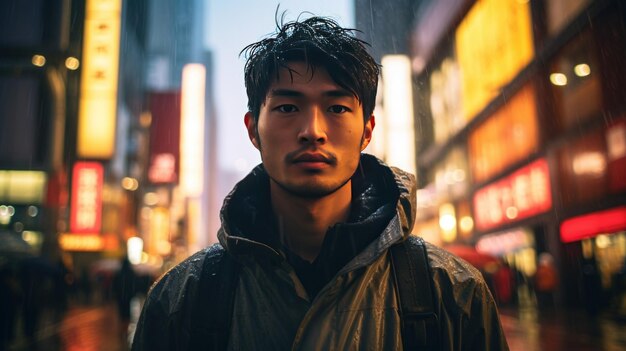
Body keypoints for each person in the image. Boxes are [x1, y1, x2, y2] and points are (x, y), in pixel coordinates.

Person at [132, 15, 509, 350]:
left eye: (337, 108)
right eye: (287, 108)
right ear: (253, 129)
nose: (312, 131)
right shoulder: (182, 299)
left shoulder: (451, 292)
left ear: (367, 130)